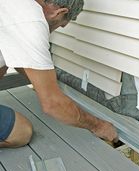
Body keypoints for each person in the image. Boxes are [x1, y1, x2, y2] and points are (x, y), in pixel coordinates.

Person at [0, 0, 118, 148]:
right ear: (60, 12)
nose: (57, 28)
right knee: (22, 132)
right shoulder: (30, 22)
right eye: (61, 24)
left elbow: (19, 58)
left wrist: (42, 84)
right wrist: (98, 126)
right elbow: (52, 105)